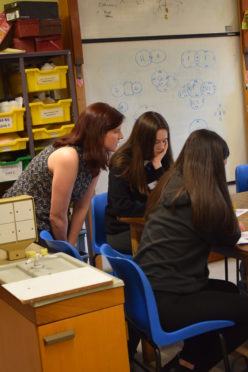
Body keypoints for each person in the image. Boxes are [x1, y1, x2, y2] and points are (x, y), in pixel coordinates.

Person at [133, 129, 248, 372]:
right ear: (213, 168)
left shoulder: (170, 184)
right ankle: (191, 367)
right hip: (171, 301)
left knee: (228, 290)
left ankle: (186, 362)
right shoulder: (204, 199)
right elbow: (233, 235)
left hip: (145, 295)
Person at [3, 102, 124, 246]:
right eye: (116, 131)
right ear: (98, 132)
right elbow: (57, 217)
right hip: (17, 226)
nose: (121, 136)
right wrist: (64, 250)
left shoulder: (95, 159)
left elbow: (81, 208)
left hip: (45, 228)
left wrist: (70, 247)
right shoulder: (68, 156)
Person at [105, 111, 174, 254]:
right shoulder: (122, 163)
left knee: (182, 239)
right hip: (123, 230)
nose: (162, 147)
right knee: (169, 246)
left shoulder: (160, 159)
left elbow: (170, 195)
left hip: (152, 225)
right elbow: (121, 207)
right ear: (143, 140)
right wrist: (154, 208)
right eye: (156, 142)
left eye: (165, 140)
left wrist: (157, 165)